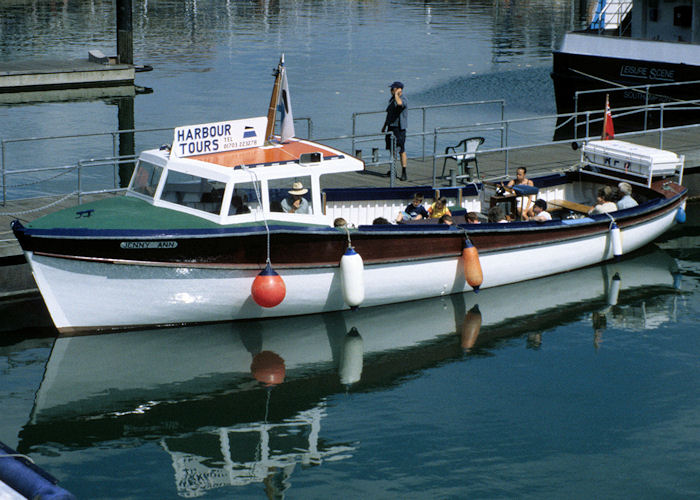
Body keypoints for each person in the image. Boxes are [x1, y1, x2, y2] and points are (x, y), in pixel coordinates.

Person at [381, 81, 408, 181]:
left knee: (401, 150)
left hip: (399, 128)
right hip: (391, 127)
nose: (391, 90)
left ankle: (404, 171)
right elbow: (389, 114)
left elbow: (400, 104)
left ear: (398, 89)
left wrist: (397, 94)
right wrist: (384, 126)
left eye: (393, 89)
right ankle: (393, 169)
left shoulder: (403, 99)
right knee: (392, 149)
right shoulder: (392, 99)